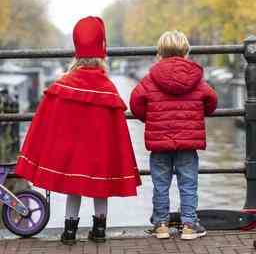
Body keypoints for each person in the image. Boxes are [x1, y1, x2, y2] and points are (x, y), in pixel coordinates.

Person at [15, 16, 141, 245]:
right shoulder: (108, 89)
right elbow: (117, 131)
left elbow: (46, 119)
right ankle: (100, 230)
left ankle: (69, 232)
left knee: (74, 186)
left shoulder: (63, 84)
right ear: (102, 54)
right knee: (100, 186)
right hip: (100, 154)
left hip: (73, 154)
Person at [130, 30, 217, 240]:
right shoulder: (196, 78)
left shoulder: (150, 79)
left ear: (159, 53)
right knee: (188, 183)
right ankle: (189, 224)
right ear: (186, 53)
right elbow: (211, 101)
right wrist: (197, 113)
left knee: (161, 184)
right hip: (188, 143)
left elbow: (136, 102)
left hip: (160, 144)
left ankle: (161, 224)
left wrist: (148, 118)